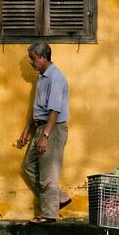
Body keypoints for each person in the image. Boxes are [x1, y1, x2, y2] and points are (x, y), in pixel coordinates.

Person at [14, 42, 72, 223]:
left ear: (43, 57)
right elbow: (36, 107)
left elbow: (54, 110)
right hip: (41, 127)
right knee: (29, 167)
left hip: (52, 129)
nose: (31, 63)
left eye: (33, 59)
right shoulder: (42, 77)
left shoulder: (55, 78)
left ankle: (49, 214)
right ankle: (59, 198)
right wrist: (27, 131)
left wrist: (45, 136)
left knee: (48, 174)